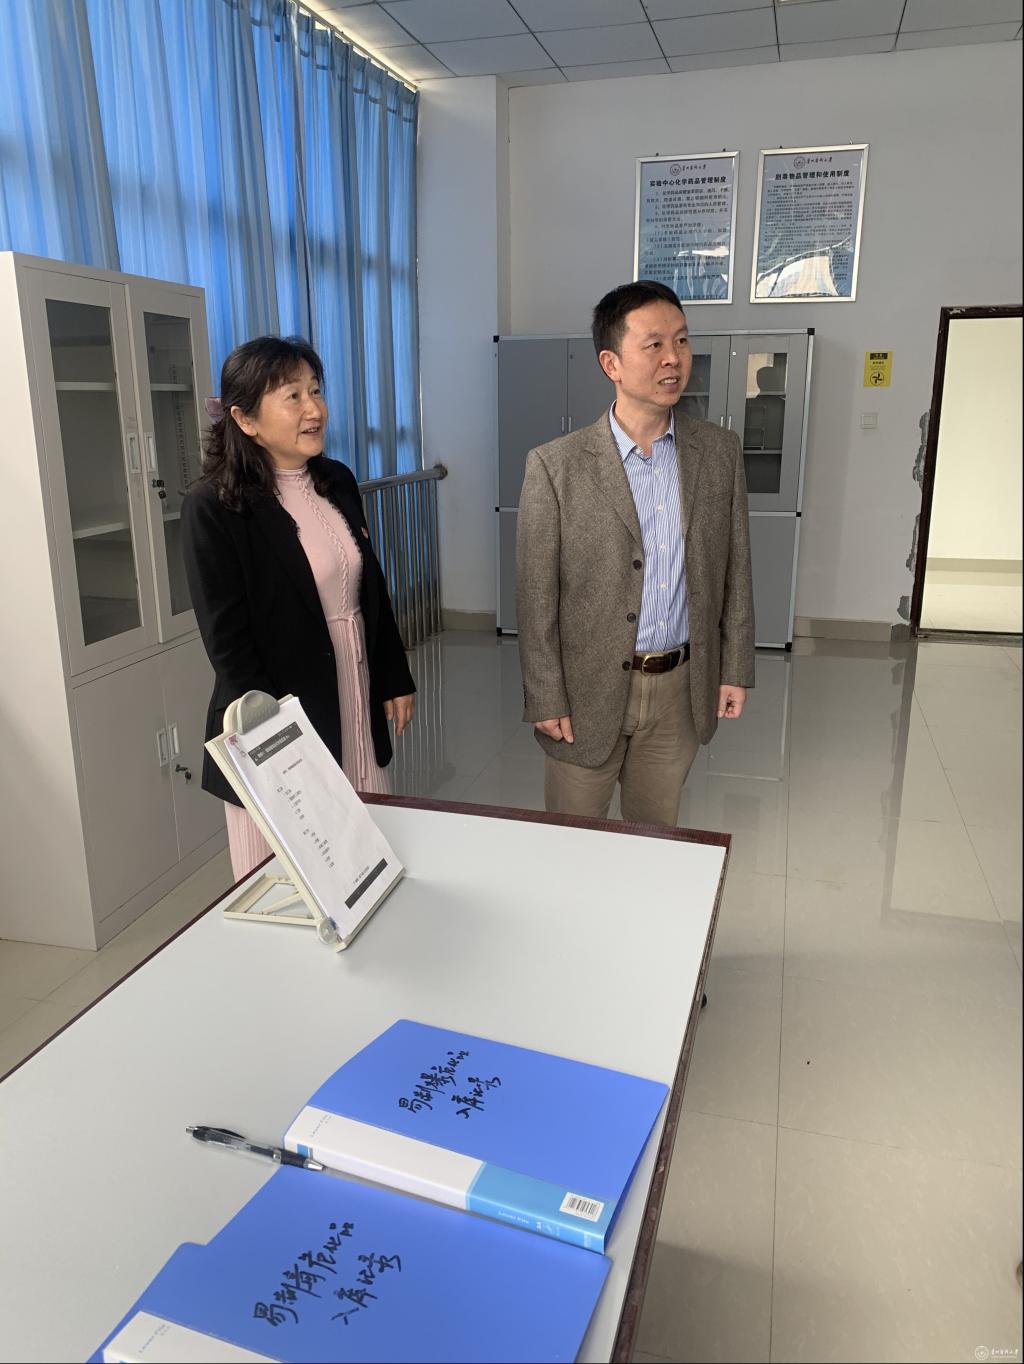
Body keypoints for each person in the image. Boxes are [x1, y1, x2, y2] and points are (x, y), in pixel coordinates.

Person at [516, 280, 754, 827]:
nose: (673, 358)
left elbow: (736, 569)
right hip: (585, 689)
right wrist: (545, 695)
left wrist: (735, 666)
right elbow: (535, 596)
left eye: (682, 341)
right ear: (611, 363)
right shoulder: (555, 466)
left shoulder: (718, 453)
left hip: (679, 690)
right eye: (654, 345)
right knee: (575, 839)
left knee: (654, 836)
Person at [182, 336, 415, 880]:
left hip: (352, 695)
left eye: (316, 391)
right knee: (298, 877)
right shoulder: (216, 506)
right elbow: (229, 647)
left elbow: (368, 588)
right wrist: (278, 746)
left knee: (364, 862)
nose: (314, 409)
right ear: (245, 419)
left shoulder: (336, 480)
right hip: (278, 718)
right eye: (293, 396)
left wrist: (393, 674)